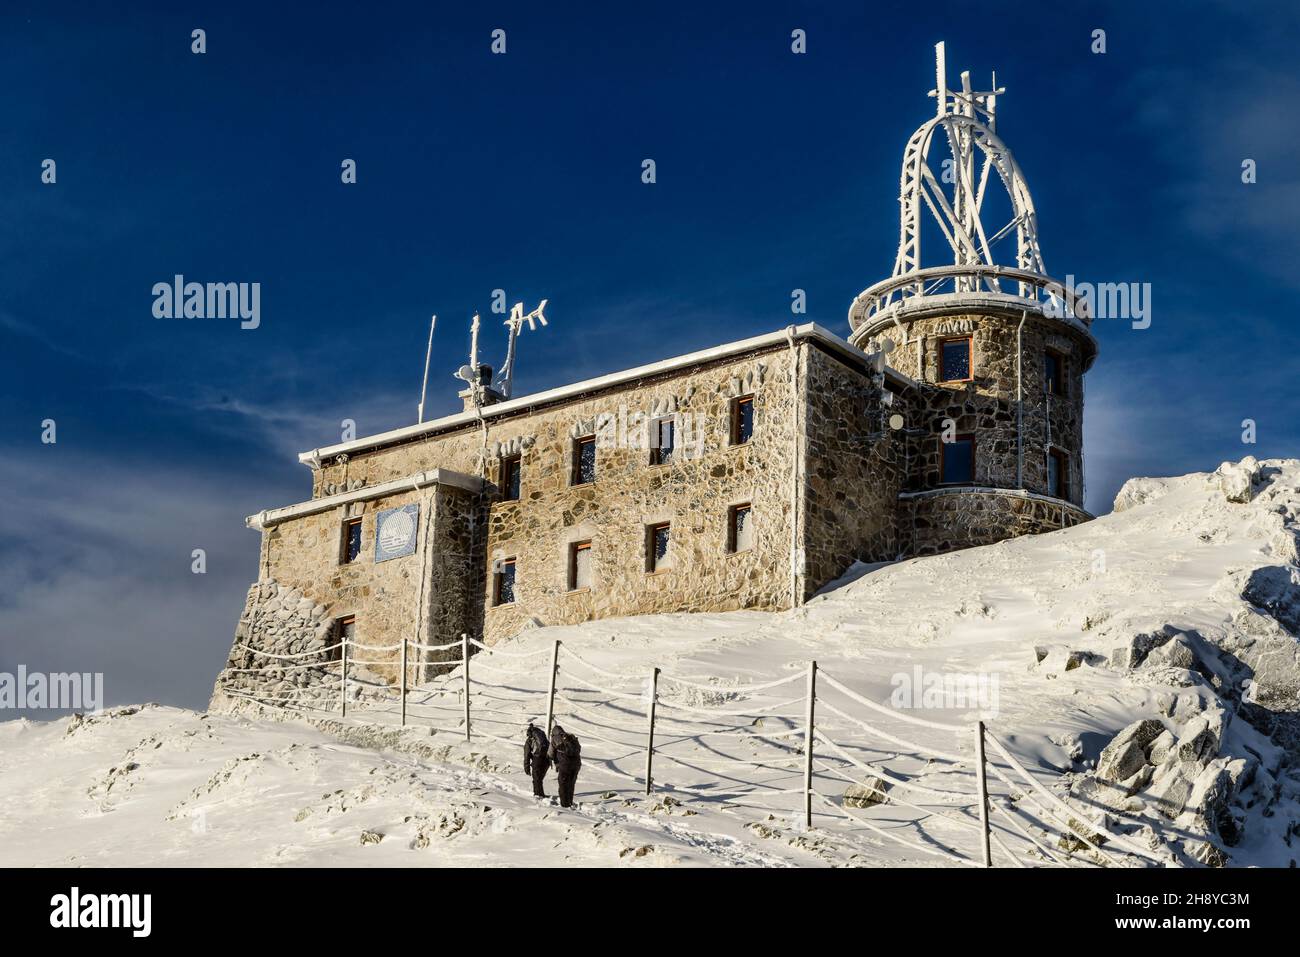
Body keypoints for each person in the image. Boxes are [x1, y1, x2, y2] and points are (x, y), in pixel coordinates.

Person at [548, 723, 582, 808]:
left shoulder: (555, 738)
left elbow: (550, 753)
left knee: (563, 785)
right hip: (577, 764)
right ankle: (569, 802)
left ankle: (565, 806)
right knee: (571, 783)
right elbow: (579, 749)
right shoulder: (571, 737)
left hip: (565, 765)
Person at [523, 723, 550, 798]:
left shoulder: (529, 741)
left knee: (536, 779)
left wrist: (527, 767)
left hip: (537, 759)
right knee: (539, 779)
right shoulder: (543, 738)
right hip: (546, 760)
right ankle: (540, 795)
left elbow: (527, 755)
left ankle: (538, 796)